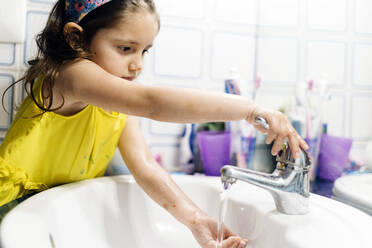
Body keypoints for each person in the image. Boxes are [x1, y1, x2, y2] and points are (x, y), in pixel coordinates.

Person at [0, 0, 308, 247]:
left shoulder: (114, 104)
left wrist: (197, 221)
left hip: (49, 212)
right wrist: (248, 109)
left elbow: (145, 166)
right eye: (125, 49)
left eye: (144, 50)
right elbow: (151, 103)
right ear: (76, 37)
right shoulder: (70, 76)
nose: (138, 64)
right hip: (12, 211)